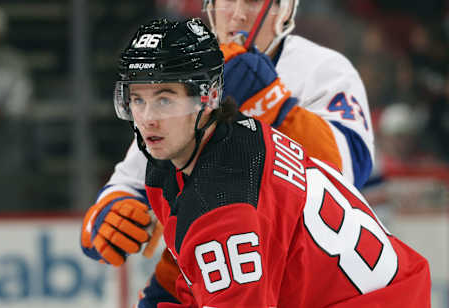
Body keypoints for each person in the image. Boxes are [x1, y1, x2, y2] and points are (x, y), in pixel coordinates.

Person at [107, 18, 431, 307]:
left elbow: (218, 242)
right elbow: (187, 265)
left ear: (206, 99)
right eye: (137, 99)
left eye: (164, 99)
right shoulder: (222, 141)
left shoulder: (224, 202)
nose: (148, 118)